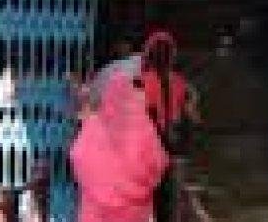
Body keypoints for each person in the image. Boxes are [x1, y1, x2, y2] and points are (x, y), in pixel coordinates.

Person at [69, 72, 169, 222]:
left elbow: (77, 157)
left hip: (96, 214)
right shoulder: (143, 126)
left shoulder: (94, 126)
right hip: (136, 213)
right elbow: (160, 162)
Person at [140, 29, 198, 222]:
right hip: (174, 152)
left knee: (151, 205)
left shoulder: (141, 83)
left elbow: (141, 119)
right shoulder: (182, 83)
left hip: (150, 153)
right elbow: (191, 117)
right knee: (171, 207)